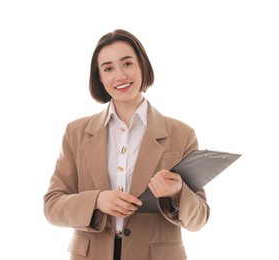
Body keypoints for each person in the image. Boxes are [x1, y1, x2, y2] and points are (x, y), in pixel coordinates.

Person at [43, 29, 210, 260]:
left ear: (142, 65)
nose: (120, 75)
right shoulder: (76, 133)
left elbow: (200, 218)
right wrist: (97, 200)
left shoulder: (181, 133)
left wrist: (178, 192)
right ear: (99, 78)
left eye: (127, 63)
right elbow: (52, 206)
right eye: (108, 68)